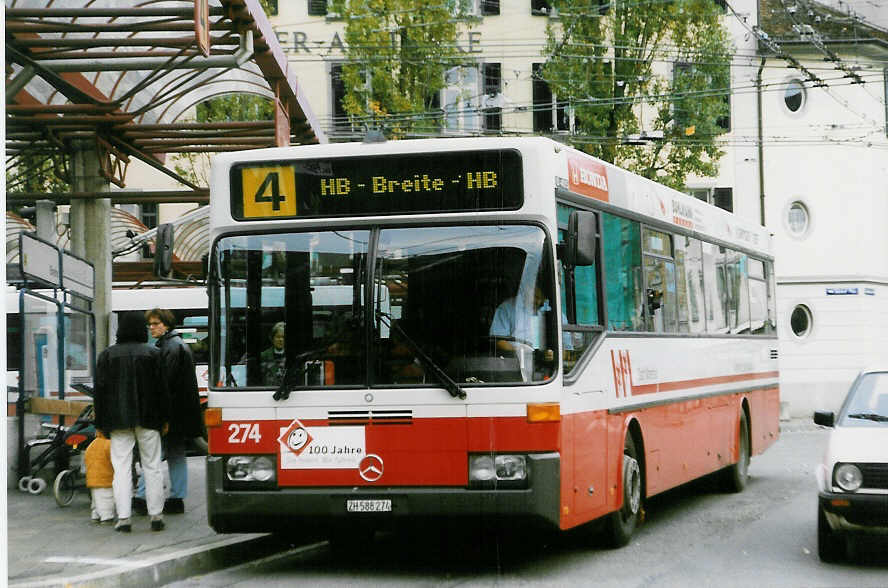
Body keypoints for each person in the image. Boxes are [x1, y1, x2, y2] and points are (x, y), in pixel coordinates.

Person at [93, 311, 170, 532]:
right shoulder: (154, 354)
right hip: (149, 418)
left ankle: (124, 518)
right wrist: (165, 418)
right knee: (152, 466)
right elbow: (162, 391)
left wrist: (100, 424)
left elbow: (100, 392)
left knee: (121, 468)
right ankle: (156, 515)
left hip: (117, 420)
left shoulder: (107, 355)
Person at [133, 308, 203, 516]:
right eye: (150, 324)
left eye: (156, 324)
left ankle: (143, 496)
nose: (151, 328)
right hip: (182, 413)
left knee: (153, 455)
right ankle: (177, 497)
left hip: (169, 414)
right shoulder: (178, 344)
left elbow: (164, 384)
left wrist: (159, 414)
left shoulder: (168, 347)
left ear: (166, 324)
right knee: (176, 455)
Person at [84, 431, 115, 524]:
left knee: (96, 499)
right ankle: (107, 517)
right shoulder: (109, 444)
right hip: (105, 478)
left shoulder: (92, 444)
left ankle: (95, 515)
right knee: (106, 499)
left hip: (92, 478)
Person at [261, 322, 287, 387]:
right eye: (278, 337)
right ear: (272, 338)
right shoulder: (264, 356)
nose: (281, 340)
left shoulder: (291, 356)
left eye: (283, 337)